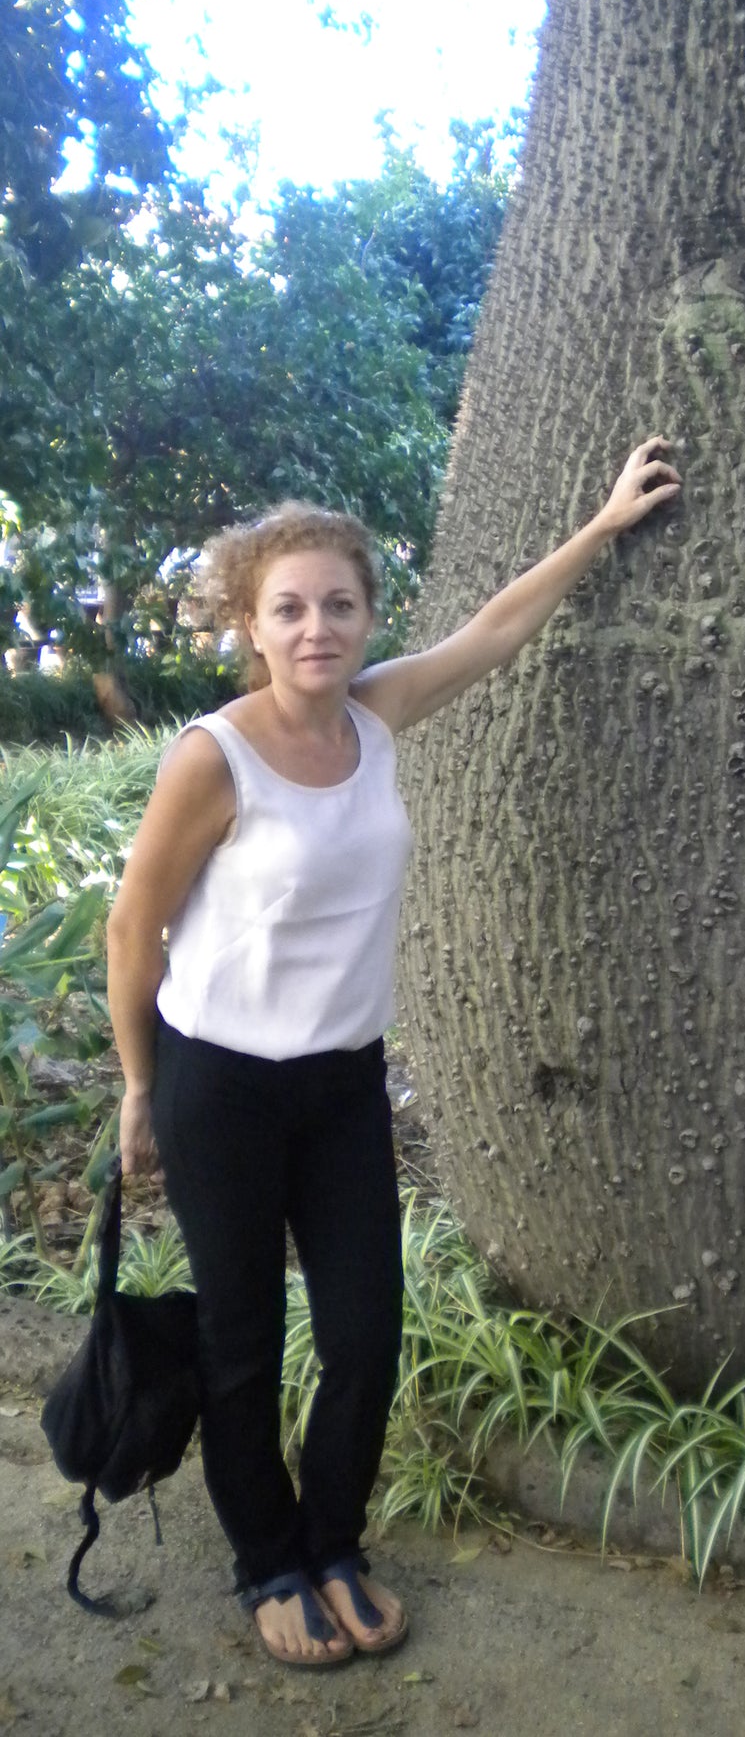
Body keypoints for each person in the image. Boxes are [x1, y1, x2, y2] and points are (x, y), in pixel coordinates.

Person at [106, 438, 681, 1666]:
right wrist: (140, 1085)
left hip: (340, 1086)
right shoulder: (215, 756)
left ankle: (334, 1542)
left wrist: (601, 523)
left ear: (367, 614)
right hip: (221, 1086)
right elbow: (131, 920)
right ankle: (267, 1561)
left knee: (367, 1331)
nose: (318, 627)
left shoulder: (374, 714)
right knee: (243, 1341)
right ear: (251, 626)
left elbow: (493, 630)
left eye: (340, 604)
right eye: (290, 608)